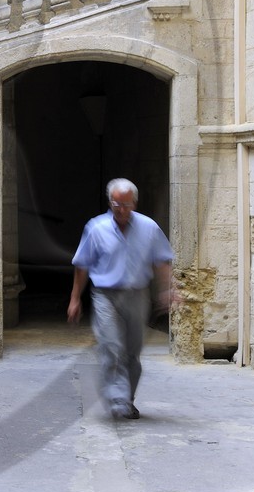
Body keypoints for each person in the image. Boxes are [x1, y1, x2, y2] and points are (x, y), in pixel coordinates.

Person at [68, 178, 178, 420]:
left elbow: (161, 260)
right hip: (105, 296)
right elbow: (82, 265)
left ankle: (128, 399)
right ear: (110, 202)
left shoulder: (149, 228)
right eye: (117, 204)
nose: (122, 210)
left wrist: (167, 289)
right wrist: (75, 298)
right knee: (111, 347)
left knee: (132, 352)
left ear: (135, 204)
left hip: (138, 295)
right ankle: (117, 398)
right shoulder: (96, 228)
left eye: (127, 205)